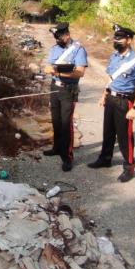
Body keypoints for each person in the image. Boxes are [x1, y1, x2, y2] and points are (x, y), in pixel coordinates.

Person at [88, 24, 135, 182]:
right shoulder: (114, 56)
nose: (116, 40)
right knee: (108, 132)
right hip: (111, 98)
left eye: (120, 38)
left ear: (129, 40)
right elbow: (111, 78)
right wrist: (104, 94)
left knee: (124, 137)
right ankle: (105, 159)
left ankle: (129, 166)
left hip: (125, 101)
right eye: (115, 38)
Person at [42, 22, 88, 171]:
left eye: (60, 38)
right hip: (54, 88)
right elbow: (49, 65)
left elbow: (80, 72)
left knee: (66, 123)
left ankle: (67, 157)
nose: (57, 41)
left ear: (67, 35)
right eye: (56, 38)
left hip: (69, 90)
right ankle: (57, 147)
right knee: (55, 121)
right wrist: (48, 69)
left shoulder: (78, 49)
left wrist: (59, 73)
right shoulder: (55, 49)